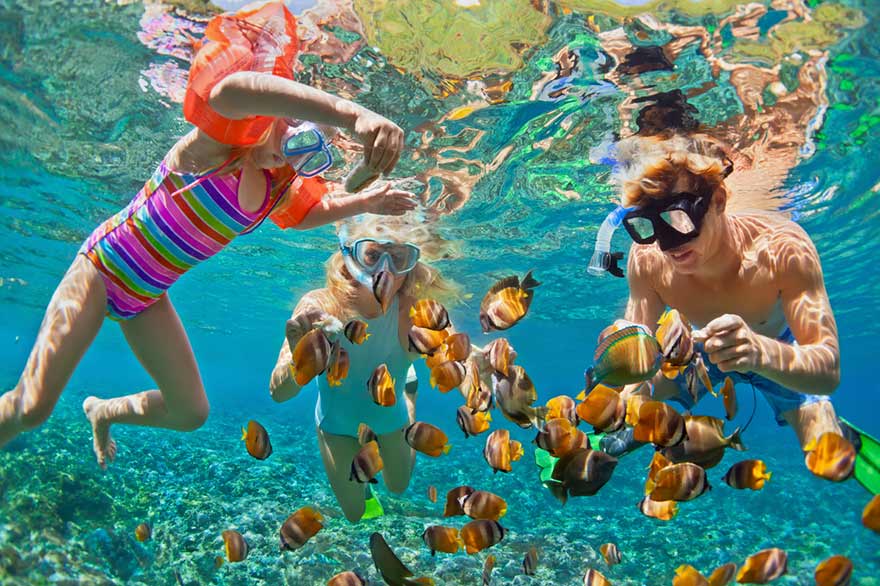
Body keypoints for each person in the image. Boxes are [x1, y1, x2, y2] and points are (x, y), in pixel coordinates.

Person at [0, 2, 417, 468]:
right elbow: (233, 89)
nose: (289, 157)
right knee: (31, 407)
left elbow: (308, 212)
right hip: (102, 268)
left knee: (190, 412)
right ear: (277, 113)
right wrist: (352, 116)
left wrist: (367, 202)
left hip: (147, 295)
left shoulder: (275, 187)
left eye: (307, 157)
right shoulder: (217, 146)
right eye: (293, 136)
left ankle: (103, 411)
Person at [593, 133, 844, 453]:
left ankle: (824, 422)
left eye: (680, 218)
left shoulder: (783, 247)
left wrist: (759, 353)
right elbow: (641, 364)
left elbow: (828, 370)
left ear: (719, 202)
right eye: (649, 225)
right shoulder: (647, 258)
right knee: (629, 406)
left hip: (778, 351)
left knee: (826, 454)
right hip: (695, 353)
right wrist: (627, 405)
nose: (668, 245)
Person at [269, 214, 457, 522]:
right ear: (349, 255)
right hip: (336, 424)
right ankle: (363, 464)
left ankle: (409, 397)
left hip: (390, 413)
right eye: (371, 255)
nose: (384, 269)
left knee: (398, 486)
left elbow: (454, 356)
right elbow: (278, 393)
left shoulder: (412, 310)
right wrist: (298, 359)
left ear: (410, 267)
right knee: (355, 514)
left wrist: (481, 367)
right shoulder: (319, 305)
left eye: (398, 258)